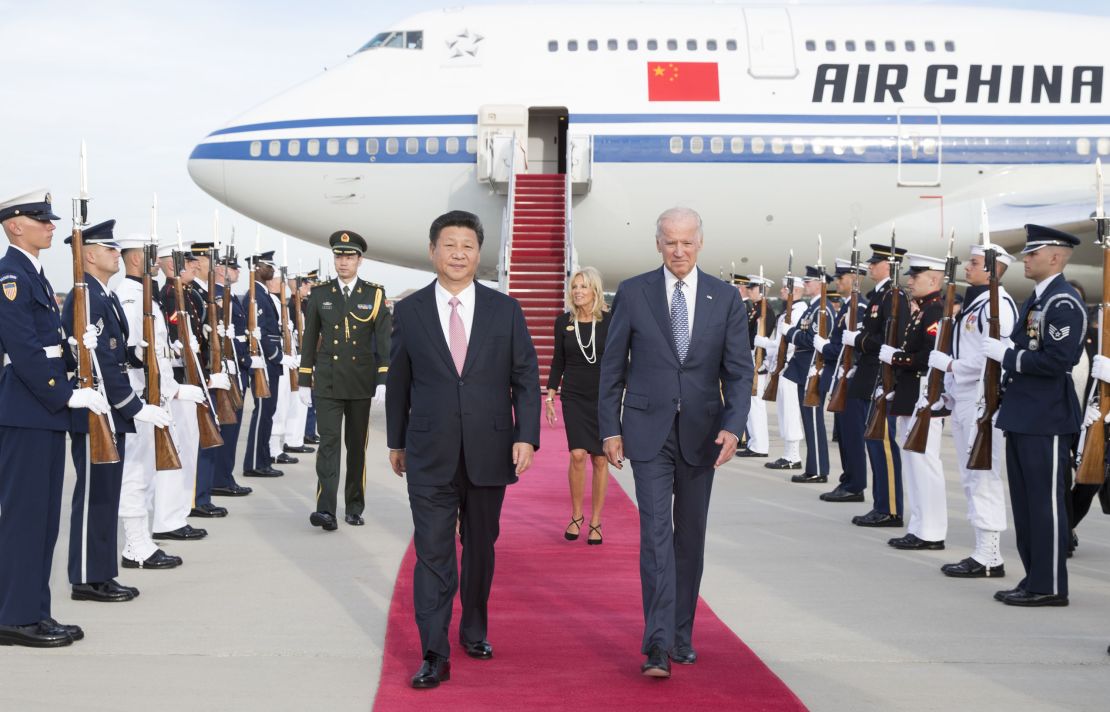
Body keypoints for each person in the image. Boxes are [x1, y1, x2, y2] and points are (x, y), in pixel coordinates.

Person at [386, 210, 539, 689]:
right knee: (433, 552)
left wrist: (526, 435)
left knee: (479, 547)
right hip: (428, 452)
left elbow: (526, 378)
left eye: (467, 245)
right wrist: (396, 440)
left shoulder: (504, 310)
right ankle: (434, 651)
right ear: (433, 250)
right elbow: (399, 383)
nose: (458, 253)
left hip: (490, 449)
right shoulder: (409, 312)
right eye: (449, 245)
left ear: (479, 253)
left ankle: (474, 627)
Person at [599, 207, 752, 678]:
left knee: (690, 539)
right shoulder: (633, 292)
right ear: (658, 244)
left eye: (687, 242)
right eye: (670, 242)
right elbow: (612, 368)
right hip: (646, 433)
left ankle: (682, 634)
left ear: (700, 243)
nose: (679, 250)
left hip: (702, 435)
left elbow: (740, 371)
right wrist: (610, 427)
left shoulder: (724, 297)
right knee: (655, 537)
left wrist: (734, 423)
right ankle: (658, 643)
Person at [0, 189, 107, 647]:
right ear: (13, 225)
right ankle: (14, 617)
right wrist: (63, 394)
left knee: (44, 519)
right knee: (25, 518)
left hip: (42, 412)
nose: (50, 226)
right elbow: (22, 349)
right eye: (40, 219)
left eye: (50, 219)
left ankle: (34, 610)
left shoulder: (37, 275)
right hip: (27, 408)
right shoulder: (11, 276)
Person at [62, 220, 174, 603]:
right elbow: (100, 361)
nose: (117, 255)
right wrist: (135, 406)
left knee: (106, 496)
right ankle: (85, 579)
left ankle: (101, 573)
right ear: (89, 255)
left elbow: (117, 353)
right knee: (95, 495)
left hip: (111, 411)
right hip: (98, 411)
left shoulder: (103, 294)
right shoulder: (85, 296)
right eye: (110, 250)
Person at [987, 224, 1085, 607]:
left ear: (1056, 257)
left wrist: (1008, 357)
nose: (1025, 259)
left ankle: (1050, 585)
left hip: (1046, 415)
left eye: (1033, 253)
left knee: (1047, 506)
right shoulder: (1038, 298)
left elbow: (1059, 360)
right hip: (1024, 413)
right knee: (1027, 506)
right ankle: (1034, 578)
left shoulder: (1062, 302)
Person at [932, 244, 1017, 576]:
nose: (967, 267)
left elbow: (994, 356)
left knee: (983, 476)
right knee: (971, 477)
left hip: (983, 400)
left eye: (975, 263)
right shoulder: (978, 303)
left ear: (993, 270)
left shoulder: (999, 306)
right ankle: (985, 552)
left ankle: (989, 555)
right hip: (966, 398)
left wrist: (952, 367)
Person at [298, 231, 390, 530]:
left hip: (361, 382)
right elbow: (309, 337)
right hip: (327, 381)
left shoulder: (373, 294)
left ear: (360, 260)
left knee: (355, 447)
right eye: (339, 256)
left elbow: (384, 340)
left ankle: (354, 505)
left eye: (349, 257)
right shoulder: (321, 293)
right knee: (328, 445)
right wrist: (304, 378)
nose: (343, 262)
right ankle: (325, 510)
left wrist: (383, 378)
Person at [115, 234, 194, 568]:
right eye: (150, 255)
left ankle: (142, 539)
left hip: (154, 395)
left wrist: (172, 388)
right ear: (136, 259)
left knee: (145, 472)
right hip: (139, 397)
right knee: (135, 472)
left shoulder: (144, 294)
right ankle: (135, 545)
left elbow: (157, 353)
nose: (156, 262)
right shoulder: (131, 296)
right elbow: (134, 353)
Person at [840, 243, 909, 527]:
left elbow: (893, 340)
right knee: (873, 441)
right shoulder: (880, 296)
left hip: (882, 375)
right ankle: (881, 504)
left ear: (889, 266)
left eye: (875, 262)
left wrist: (857, 340)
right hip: (870, 375)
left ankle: (890, 508)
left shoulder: (895, 296)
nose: (870, 266)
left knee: (883, 444)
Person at [882, 254, 948, 551]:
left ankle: (932, 532)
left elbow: (928, 357)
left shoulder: (935, 312)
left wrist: (896, 358)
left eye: (916, 276)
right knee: (913, 465)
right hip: (911, 393)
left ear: (933, 280)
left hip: (923, 394)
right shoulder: (922, 311)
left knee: (925, 464)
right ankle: (920, 527)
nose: (909, 281)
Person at [545, 266, 609, 544]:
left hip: (603, 397)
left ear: (595, 289)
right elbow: (558, 360)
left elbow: (622, 359)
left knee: (600, 458)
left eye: (584, 286)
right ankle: (576, 515)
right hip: (573, 396)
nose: (578, 291)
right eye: (575, 287)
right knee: (578, 455)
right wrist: (550, 395)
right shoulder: (563, 321)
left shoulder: (610, 320)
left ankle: (596, 520)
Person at [151, 244, 208, 542]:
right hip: (176, 380)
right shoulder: (170, 295)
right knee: (178, 448)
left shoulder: (184, 294)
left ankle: (179, 512)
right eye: (186, 262)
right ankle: (170, 516)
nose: (193, 266)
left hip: (187, 377)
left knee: (188, 445)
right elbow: (170, 339)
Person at [817, 258, 870, 502]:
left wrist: (825, 348)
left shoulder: (859, 309)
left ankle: (855, 484)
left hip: (853, 379)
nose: (837, 281)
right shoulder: (848, 309)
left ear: (856, 279)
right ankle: (848, 480)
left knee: (853, 435)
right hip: (842, 379)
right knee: (845, 435)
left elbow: (851, 349)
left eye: (842, 277)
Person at [187, 241, 232, 518]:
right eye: (202, 260)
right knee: (201, 437)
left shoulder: (211, 292)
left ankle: (203, 493)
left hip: (213, 372)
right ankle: (196, 496)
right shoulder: (191, 293)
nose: (205, 265)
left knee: (211, 434)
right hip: (200, 373)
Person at [785, 266, 835, 483]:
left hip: (812, 370)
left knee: (814, 422)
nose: (805, 284)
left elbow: (815, 339)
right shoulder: (812, 309)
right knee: (808, 422)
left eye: (808, 281)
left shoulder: (823, 310)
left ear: (820, 284)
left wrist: (791, 333)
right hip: (803, 369)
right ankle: (812, 466)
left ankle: (818, 470)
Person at [210, 249, 254, 497]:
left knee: (233, 428)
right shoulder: (216, 296)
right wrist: (246, 357)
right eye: (233, 267)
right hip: (230, 370)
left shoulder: (229, 295)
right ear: (219, 269)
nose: (238, 271)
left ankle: (225, 476)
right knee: (227, 427)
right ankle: (221, 478)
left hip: (238, 369)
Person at [753, 277, 806, 469]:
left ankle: (793, 456)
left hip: (790, 366)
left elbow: (789, 343)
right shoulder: (787, 311)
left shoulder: (799, 311)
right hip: (781, 367)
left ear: (796, 291)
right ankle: (788, 453)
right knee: (784, 412)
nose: (782, 290)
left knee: (790, 412)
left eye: (786, 288)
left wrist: (765, 343)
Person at [241, 251, 285, 478]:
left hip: (270, 363)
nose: (272, 269)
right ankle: (255, 462)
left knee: (269, 412)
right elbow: (261, 332)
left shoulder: (263, 293)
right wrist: (277, 355)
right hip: (265, 362)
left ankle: (263, 458)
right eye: (268, 265)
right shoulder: (255, 294)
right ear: (256, 268)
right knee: (263, 412)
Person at [739, 274, 775, 458]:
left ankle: (760, 446)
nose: (748, 290)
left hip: (758, 360)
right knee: (752, 405)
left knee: (757, 404)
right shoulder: (756, 308)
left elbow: (763, 336)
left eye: (751, 288)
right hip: (752, 358)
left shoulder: (765, 309)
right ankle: (754, 443)